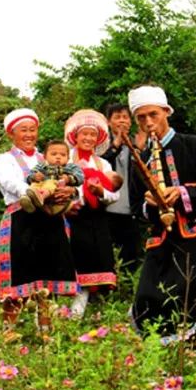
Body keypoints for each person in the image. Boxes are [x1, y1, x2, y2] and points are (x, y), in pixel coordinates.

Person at [127, 86, 196, 344]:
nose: (148, 122)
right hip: (164, 236)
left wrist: (182, 193)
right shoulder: (140, 160)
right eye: (141, 117)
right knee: (151, 292)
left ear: (166, 112)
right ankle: (170, 346)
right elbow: (136, 205)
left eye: (153, 114)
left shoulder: (194, 144)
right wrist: (151, 204)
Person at [0, 109, 77, 338]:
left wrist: (66, 192)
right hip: (21, 218)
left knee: (47, 274)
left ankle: (45, 331)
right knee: (19, 273)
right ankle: (9, 331)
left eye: (32, 129)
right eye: (23, 130)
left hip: (49, 220)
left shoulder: (46, 158)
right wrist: (29, 191)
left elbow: (70, 178)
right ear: (12, 134)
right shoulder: (5, 159)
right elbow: (3, 178)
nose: (29, 134)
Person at [64, 108, 122, 320]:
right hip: (72, 217)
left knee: (96, 263)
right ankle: (69, 314)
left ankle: (93, 313)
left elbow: (115, 194)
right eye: (84, 134)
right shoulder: (66, 161)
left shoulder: (103, 163)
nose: (88, 138)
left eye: (92, 135)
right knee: (75, 263)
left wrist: (101, 193)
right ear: (75, 136)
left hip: (96, 219)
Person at [101, 103, 144, 274]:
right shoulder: (102, 142)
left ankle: (128, 291)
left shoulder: (136, 142)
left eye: (125, 117)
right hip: (107, 208)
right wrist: (116, 144)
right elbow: (100, 166)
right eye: (117, 117)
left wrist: (139, 149)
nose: (122, 121)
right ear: (109, 122)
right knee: (108, 253)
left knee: (131, 254)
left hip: (130, 207)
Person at [19, 143, 85, 215]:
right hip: (42, 191)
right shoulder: (41, 166)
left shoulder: (71, 167)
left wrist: (69, 179)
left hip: (58, 194)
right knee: (35, 184)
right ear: (45, 157)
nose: (58, 157)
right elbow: (28, 177)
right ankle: (29, 200)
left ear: (68, 158)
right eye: (54, 154)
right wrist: (34, 176)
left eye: (63, 155)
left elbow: (81, 177)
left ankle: (41, 196)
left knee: (51, 183)